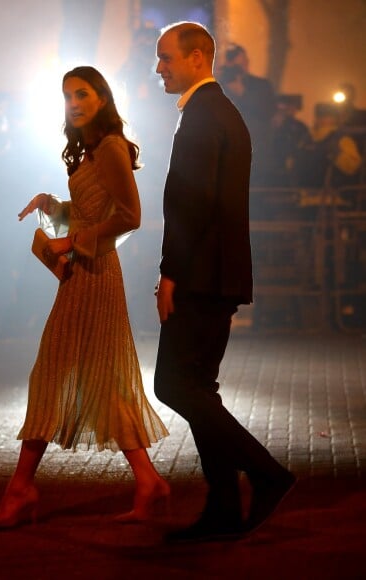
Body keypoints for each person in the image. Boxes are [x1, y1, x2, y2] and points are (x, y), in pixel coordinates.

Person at [0, 66, 170, 529]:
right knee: (98, 378)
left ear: (102, 97)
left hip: (95, 274)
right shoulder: (92, 149)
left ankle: (21, 490)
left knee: (55, 373)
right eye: (67, 96)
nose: (74, 103)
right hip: (85, 275)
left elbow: (130, 216)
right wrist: (54, 209)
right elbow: (91, 213)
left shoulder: (110, 148)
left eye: (82, 94)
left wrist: (71, 241)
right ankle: (147, 481)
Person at [153, 22, 295, 542]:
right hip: (219, 273)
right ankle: (222, 508)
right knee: (196, 388)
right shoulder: (221, 114)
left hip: (201, 276)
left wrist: (169, 272)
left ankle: (266, 473)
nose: (159, 68)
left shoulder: (203, 117)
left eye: (166, 58)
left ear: (197, 59)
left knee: (173, 385)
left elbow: (190, 204)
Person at [219, 43, 275, 186]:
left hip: (255, 152)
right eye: (232, 64)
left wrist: (242, 93)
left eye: (241, 61)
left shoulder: (261, 86)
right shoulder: (217, 86)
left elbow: (266, 111)